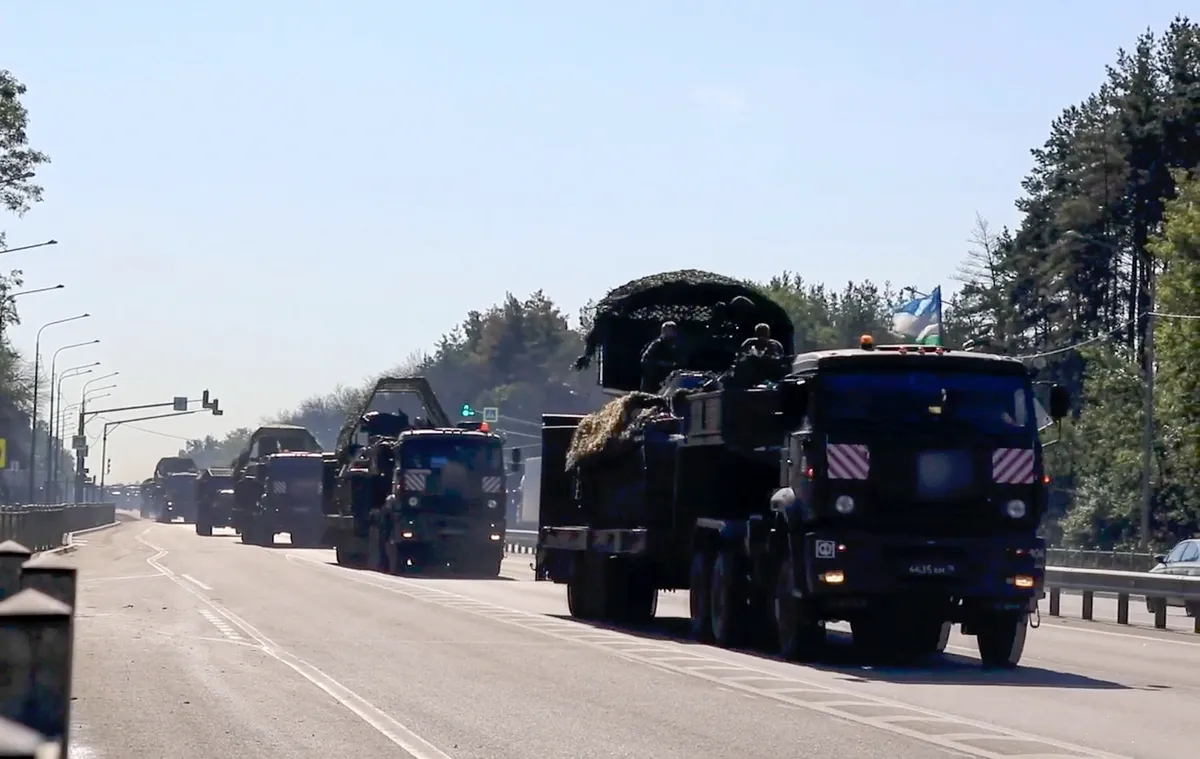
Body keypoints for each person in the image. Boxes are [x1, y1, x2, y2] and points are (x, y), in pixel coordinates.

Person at [640, 321, 680, 392]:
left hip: (668, 378)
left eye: (673, 330)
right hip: (654, 379)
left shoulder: (675, 344)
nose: (672, 333)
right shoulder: (657, 343)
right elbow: (645, 359)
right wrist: (660, 363)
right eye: (669, 330)